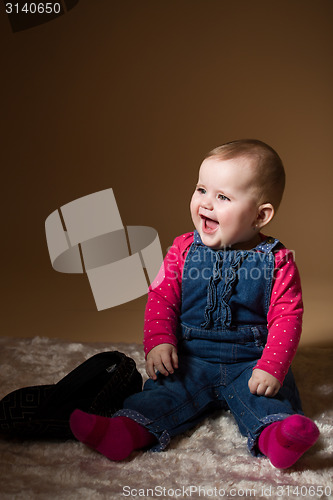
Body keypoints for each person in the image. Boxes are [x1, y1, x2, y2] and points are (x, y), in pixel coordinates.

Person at [70, 139, 319, 469]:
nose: (206, 203)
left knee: (269, 399)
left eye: (223, 197)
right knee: (162, 394)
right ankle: (124, 431)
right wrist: (159, 341)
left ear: (261, 215)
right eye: (202, 190)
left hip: (251, 361)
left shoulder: (277, 261)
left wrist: (271, 366)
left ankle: (278, 439)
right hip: (190, 358)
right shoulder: (182, 250)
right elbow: (162, 298)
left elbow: (287, 316)